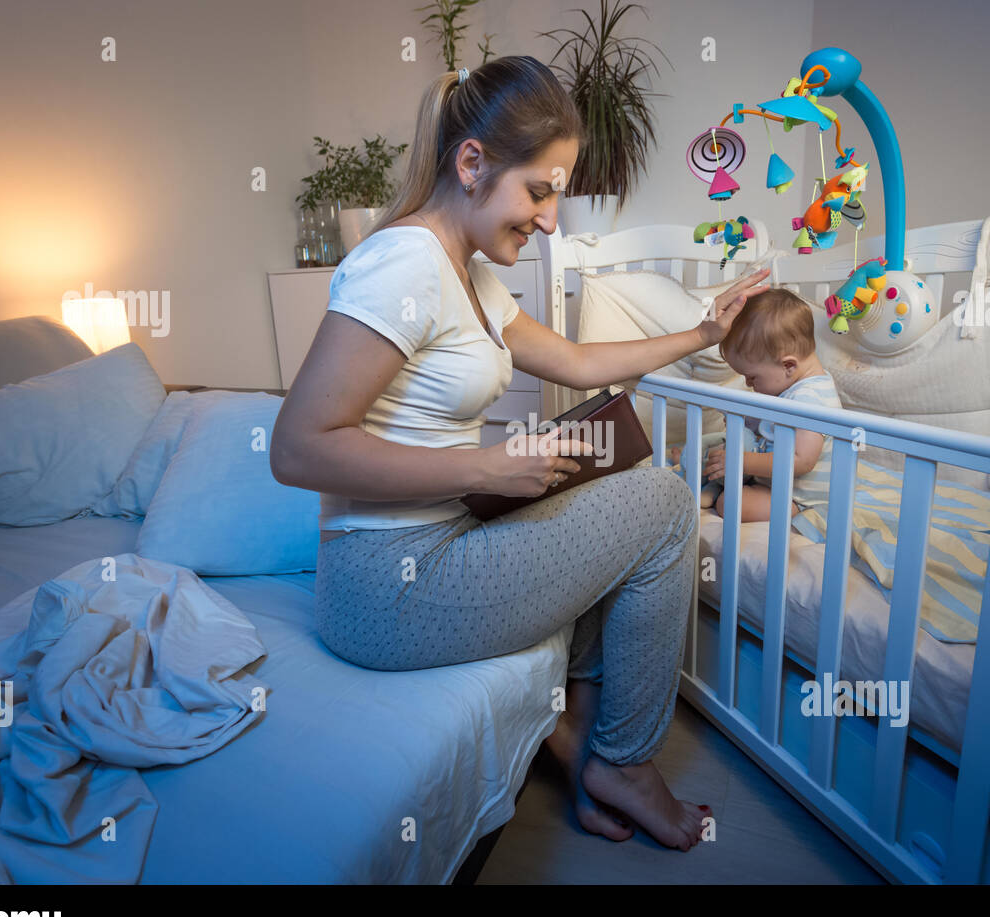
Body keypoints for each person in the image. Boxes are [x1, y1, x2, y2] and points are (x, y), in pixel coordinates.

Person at [270, 56, 770, 852]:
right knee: (669, 504)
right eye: (539, 191)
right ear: (471, 163)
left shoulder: (464, 273)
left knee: (630, 481)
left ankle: (577, 734)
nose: (548, 222)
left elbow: (574, 361)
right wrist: (484, 466)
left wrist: (705, 332)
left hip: (438, 542)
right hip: (384, 589)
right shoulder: (402, 264)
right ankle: (625, 762)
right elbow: (296, 449)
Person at [668, 288, 842, 523]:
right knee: (723, 456)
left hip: (799, 498)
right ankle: (697, 466)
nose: (749, 384)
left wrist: (741, 461)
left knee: (728, 503)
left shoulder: (809, 400)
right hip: (771, 480)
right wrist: (747, 422)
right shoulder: (792, 387)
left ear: (788, 365)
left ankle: (709, 481)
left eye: (752, 377)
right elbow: (775, 429)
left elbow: (801, 460)